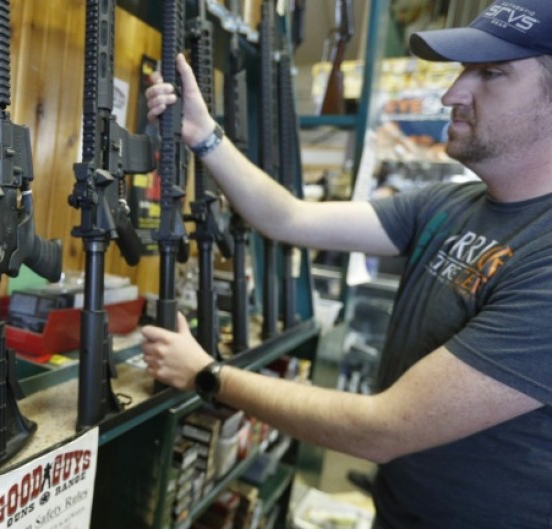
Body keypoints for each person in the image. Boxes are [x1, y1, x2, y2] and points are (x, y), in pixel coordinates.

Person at [140, 0, 552, 527]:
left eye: (492, 73)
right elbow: (290, 218)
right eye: (464, 71)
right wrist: (205, 136)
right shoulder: (449, 205)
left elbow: (382, 428)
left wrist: (207, 374)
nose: (453, 94)